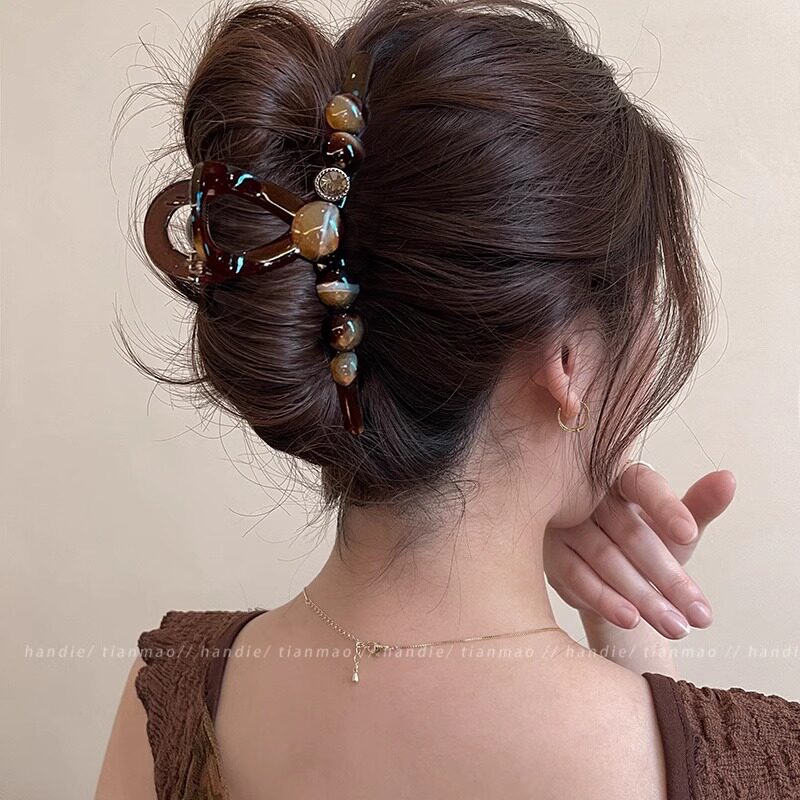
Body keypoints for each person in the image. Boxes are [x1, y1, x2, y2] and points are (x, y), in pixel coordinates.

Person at [95, 1, 800, 798]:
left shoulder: (172, 703)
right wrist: (667, 708)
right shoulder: (767, 764)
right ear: (569, 361)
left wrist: (642, 661)